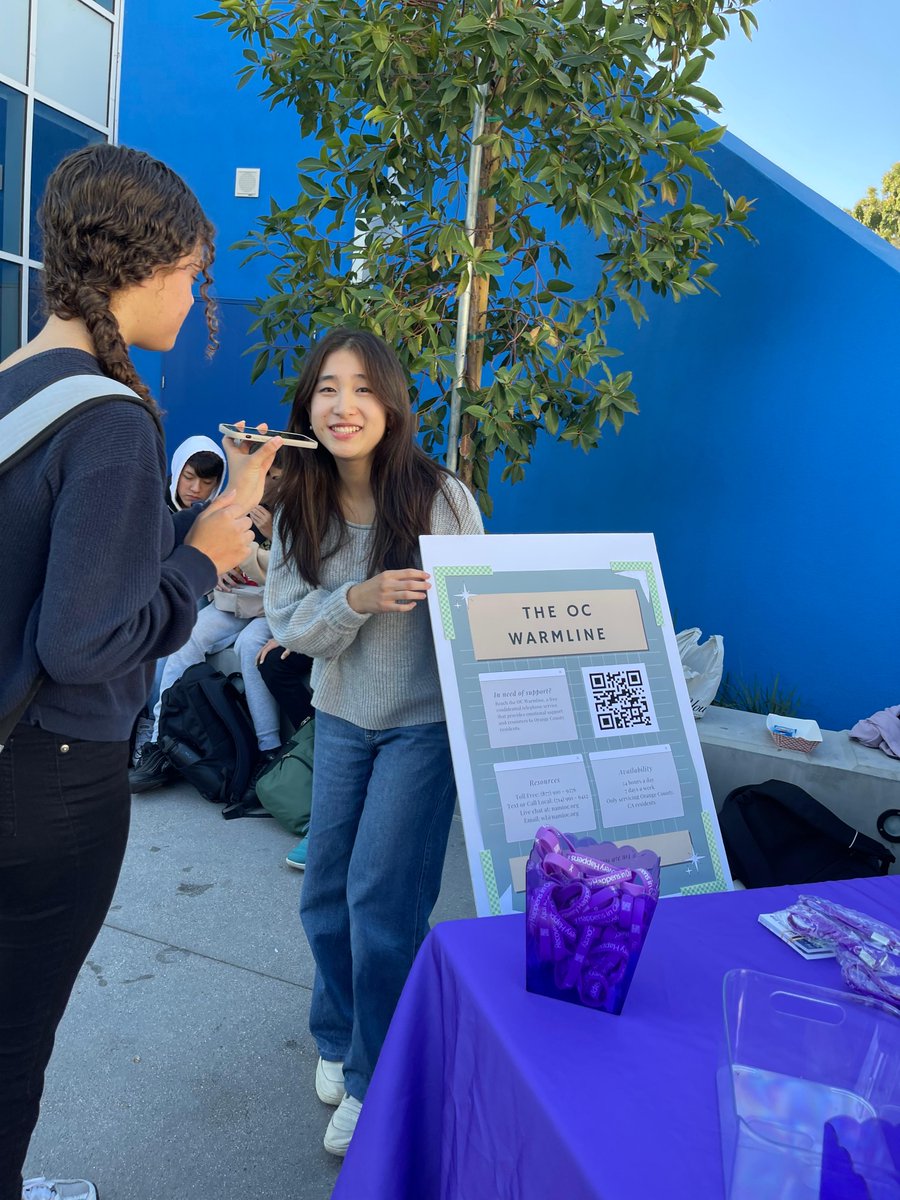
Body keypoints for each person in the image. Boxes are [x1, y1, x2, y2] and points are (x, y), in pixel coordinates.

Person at [0, 142, 282, 1200]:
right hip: (51, 782)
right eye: (196, 271)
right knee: (11, 1046)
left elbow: (49, 564)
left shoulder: (16, 386)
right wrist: (205, 559)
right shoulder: (116, 419)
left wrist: (184, 526)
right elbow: (87, 640)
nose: (196, 293)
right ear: (151, 260)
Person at [264, 327, 484, 1157]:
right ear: (307, 406)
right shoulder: (300, 503)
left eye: (360, 388)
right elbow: (287, 625)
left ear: (390, 403)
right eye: (326, 388)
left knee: (381, 902)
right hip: (343, 719)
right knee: (324, 891)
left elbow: (479, 615)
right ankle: (338, 1030)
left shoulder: (441, 498)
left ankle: (373, 1075)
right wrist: (358, 596)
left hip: (423, 730)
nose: (342, 405)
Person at [130, 454, 288, 795]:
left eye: (277, 475)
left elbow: (302, 571)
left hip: (272, 610)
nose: (269, 482)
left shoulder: (297, 509)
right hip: (235, 603)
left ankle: (268, 750)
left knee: (250, 649)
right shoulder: (242, 502)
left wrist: (271, 535)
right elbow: (215, 552)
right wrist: (221, 567)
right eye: (265, 473)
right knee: (186, 639)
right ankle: (159, 745)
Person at [166, 435, 226, 512]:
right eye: (188, 477)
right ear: (177, 472)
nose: (196, 489)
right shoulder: (151, 500)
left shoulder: (226, 513)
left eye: (207, 482)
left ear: (217, 484)